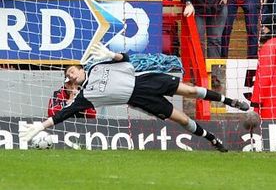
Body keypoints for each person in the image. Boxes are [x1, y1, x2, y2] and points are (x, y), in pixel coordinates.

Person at [20, 42, 250, 152]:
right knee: (180, 118)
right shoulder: (85, 97)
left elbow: (125, 59)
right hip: (139, 99)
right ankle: (212, 139)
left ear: (81, 69)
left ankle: (231, 102)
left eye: (73, 70)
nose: (71, 75)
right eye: (68, 75)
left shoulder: (98, 66)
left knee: (190, 90)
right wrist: (41, 126)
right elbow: (63, 114)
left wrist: (112, 54)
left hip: (145, 80)